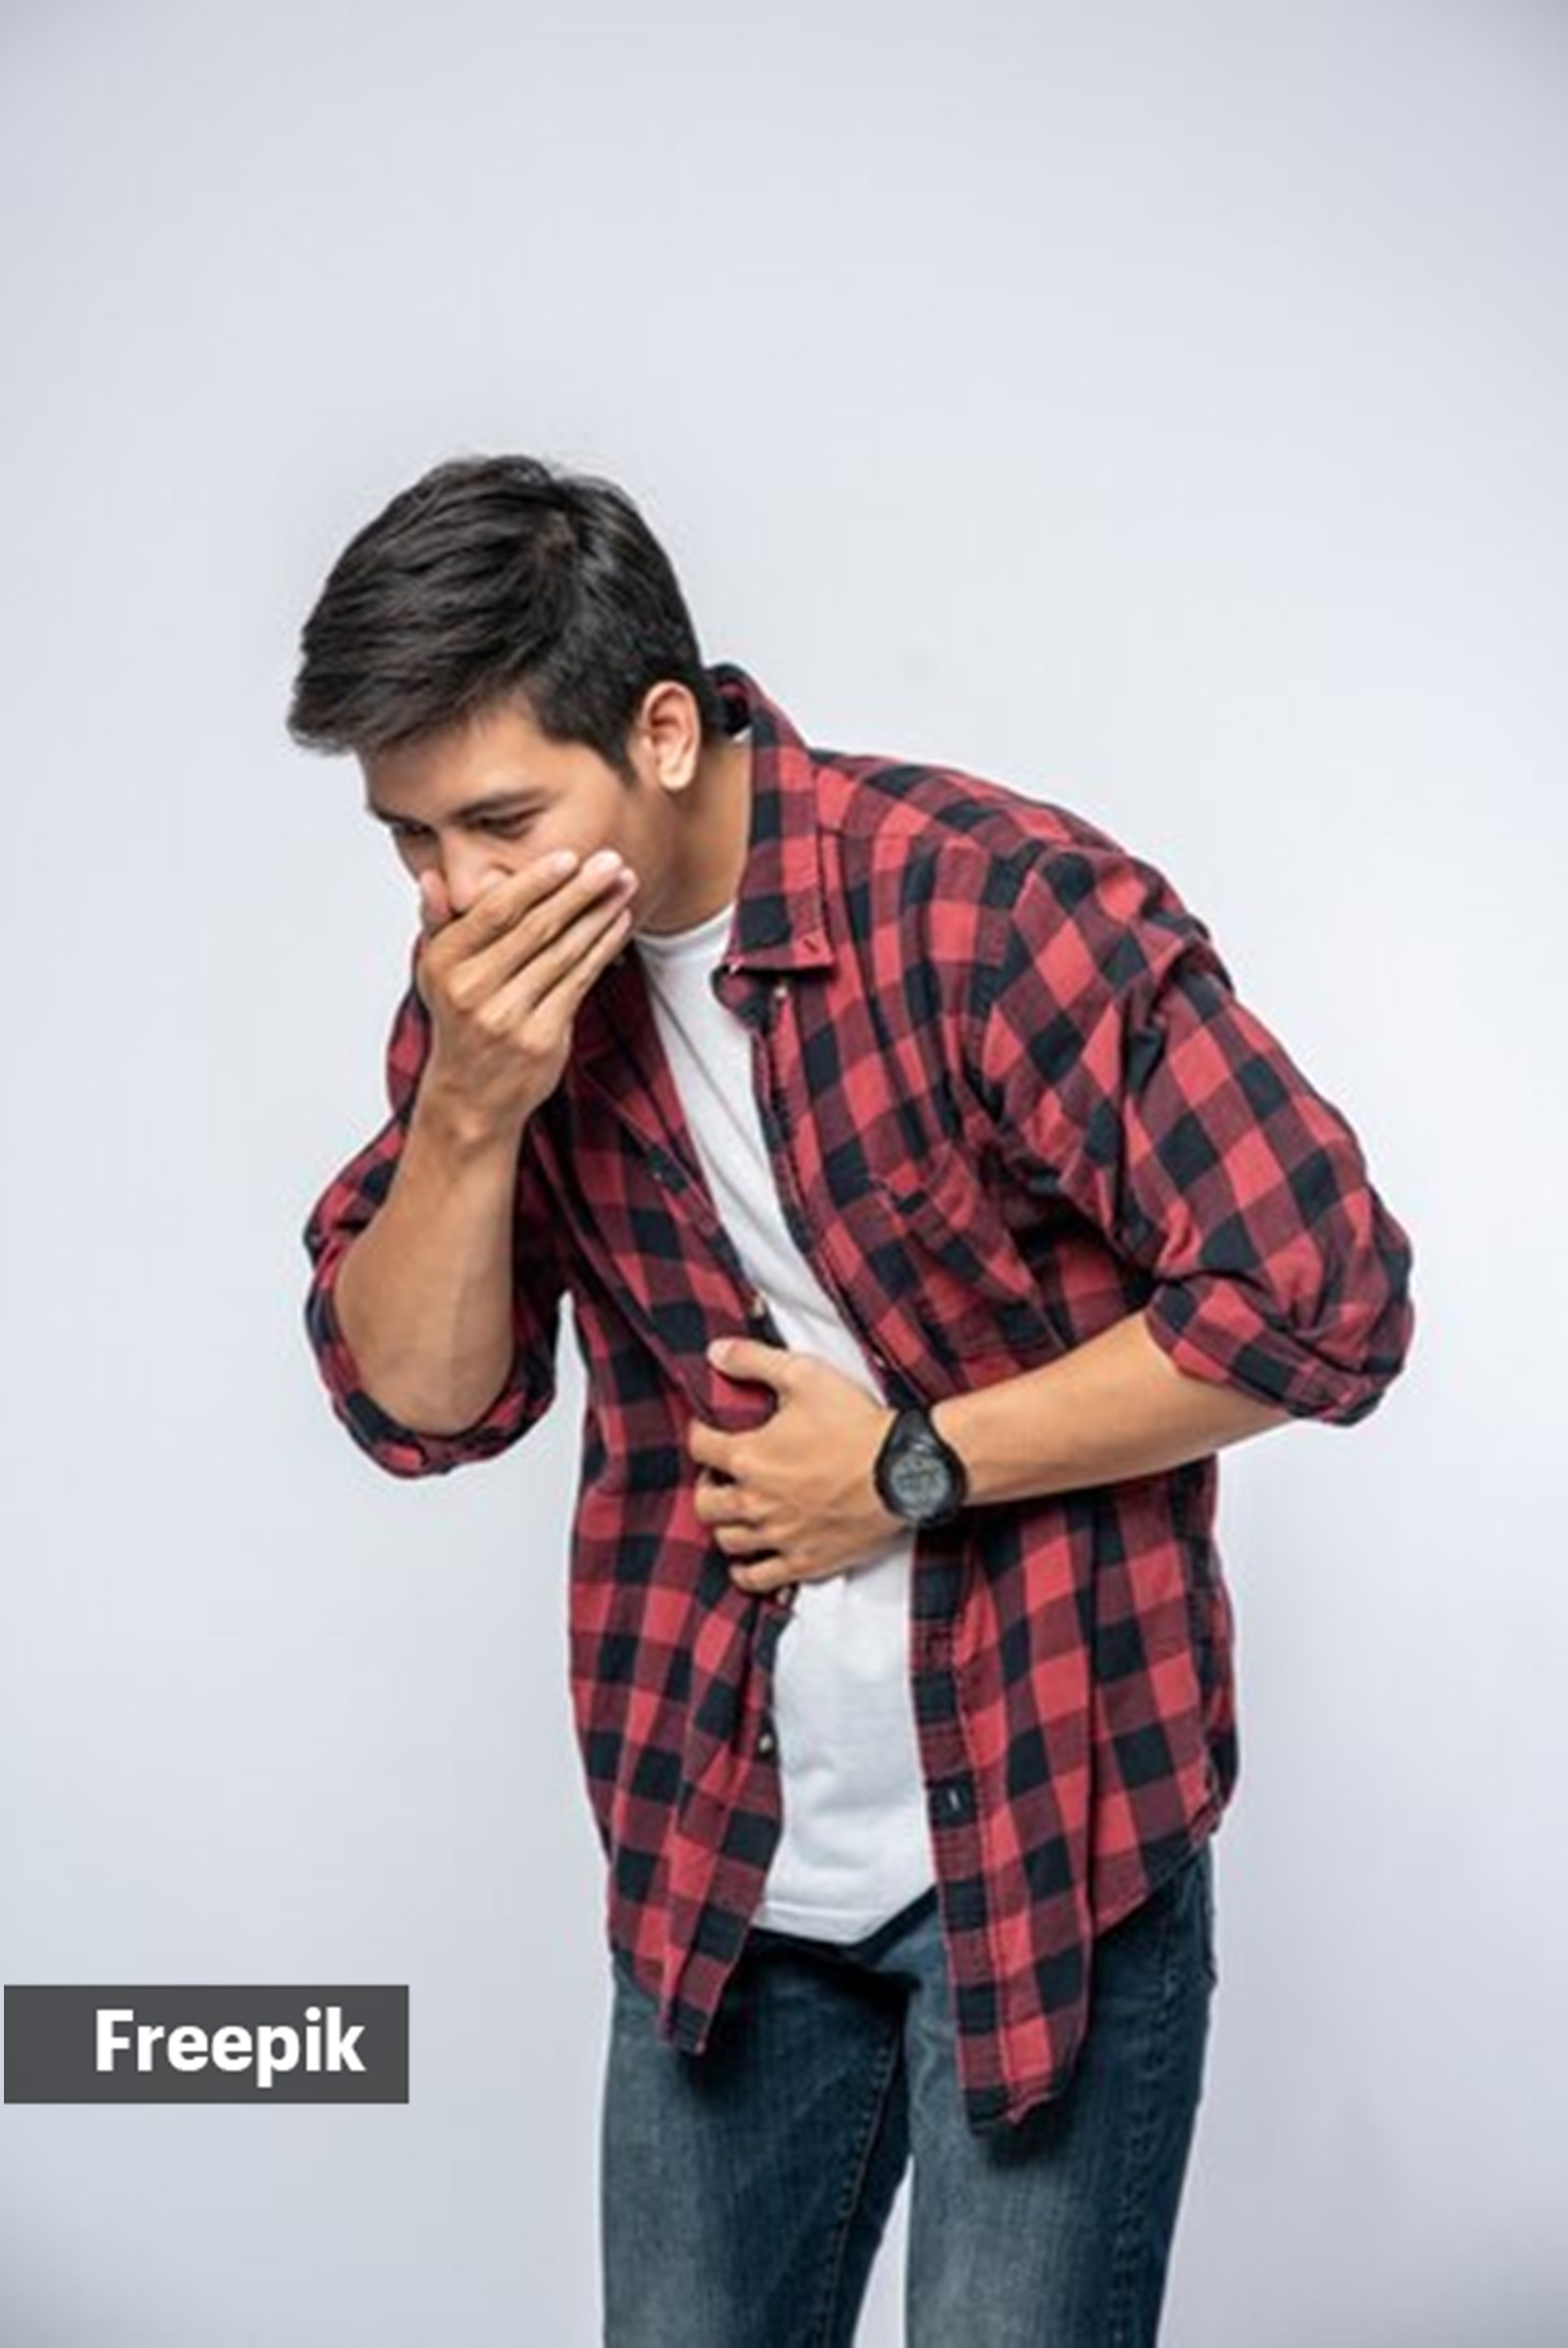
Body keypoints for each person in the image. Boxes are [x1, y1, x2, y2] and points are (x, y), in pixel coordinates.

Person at [287, 453, 1417, 2346]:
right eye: (410, 841)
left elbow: (1326, 1289)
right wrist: (471, 1115)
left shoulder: (985, 909)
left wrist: (907, 1465)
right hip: (718, 1865)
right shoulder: (489, 1010)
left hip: (1051, 1842)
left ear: (662, 733)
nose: (455, 894)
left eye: (497, 822)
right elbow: (420, 1405)